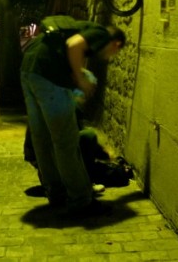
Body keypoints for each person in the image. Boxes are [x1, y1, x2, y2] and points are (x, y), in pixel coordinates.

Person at [20, 20, 125, 216]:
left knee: (42, 139)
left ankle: (56, 192)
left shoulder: (75, 30)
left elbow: (71, 48)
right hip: (49, 74)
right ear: (116, 44)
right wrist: (80, 79)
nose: (109, 57)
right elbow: (74, 44)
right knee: (66, 142)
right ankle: (81, 200)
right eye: (114, 53)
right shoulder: (101, 33)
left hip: (30, 68)